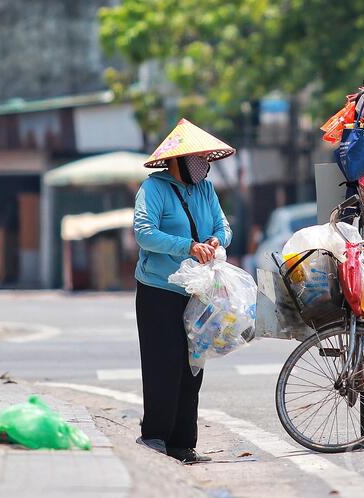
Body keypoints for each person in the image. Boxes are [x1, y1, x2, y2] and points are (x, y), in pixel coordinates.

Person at [133, 118, 234, 463]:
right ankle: (156, 435)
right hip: (159, 290)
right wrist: (188, 247)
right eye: (197, 157)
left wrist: (217, 240)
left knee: (193, 364)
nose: (203, 163)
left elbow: (224, 225)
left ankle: (182, 442)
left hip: (198, 290)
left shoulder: (205, 188)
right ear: (176, 159)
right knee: (164, 363)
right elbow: (144, 233)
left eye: (206, 158)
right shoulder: (153, 189)